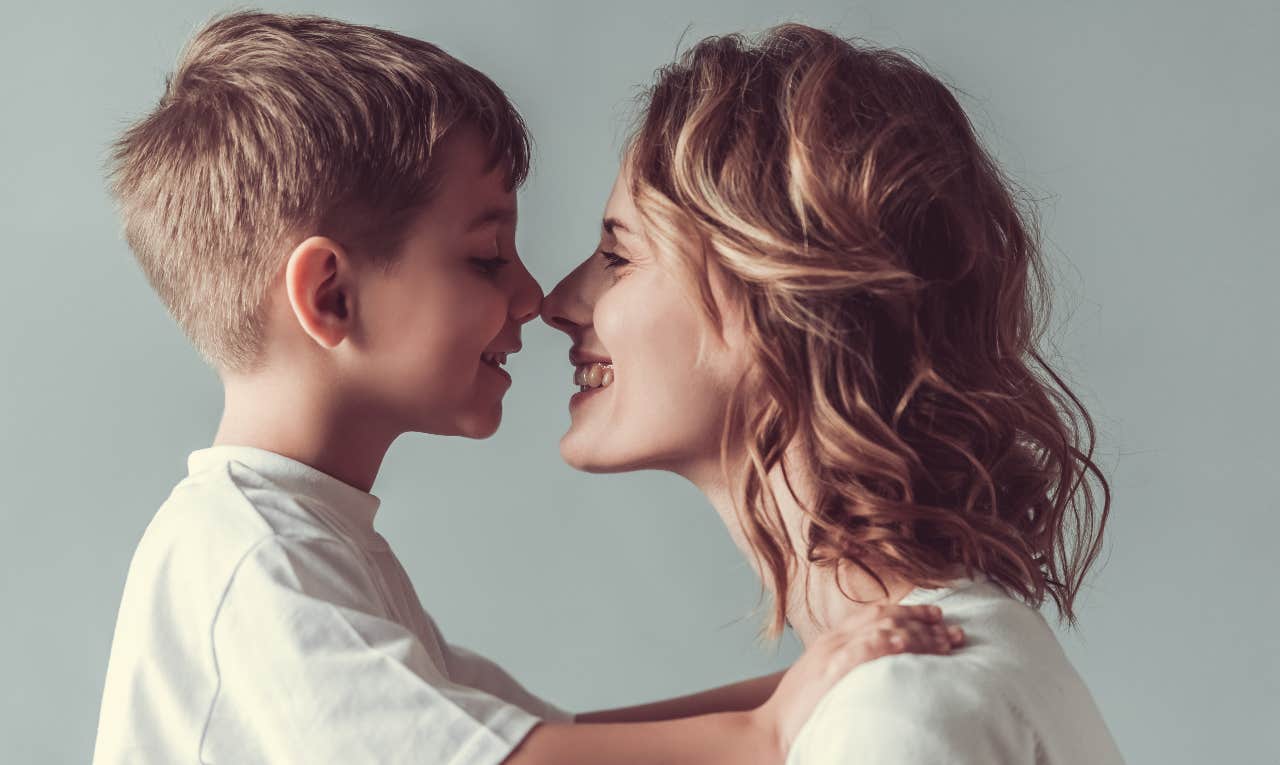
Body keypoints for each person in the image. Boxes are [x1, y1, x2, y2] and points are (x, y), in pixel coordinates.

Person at [93, 12, 958, 765]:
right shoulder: (250, 561)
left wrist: (796, 686)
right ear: (330, 296)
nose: (533, 295)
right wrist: (767, 734)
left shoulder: (297, 542)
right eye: (484, 255)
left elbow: (550, 735)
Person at [542, 24, 1125, 764]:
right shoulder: (922, 671)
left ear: (776, 296)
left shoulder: (898, 712)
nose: (556, 301)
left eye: (618, 256)